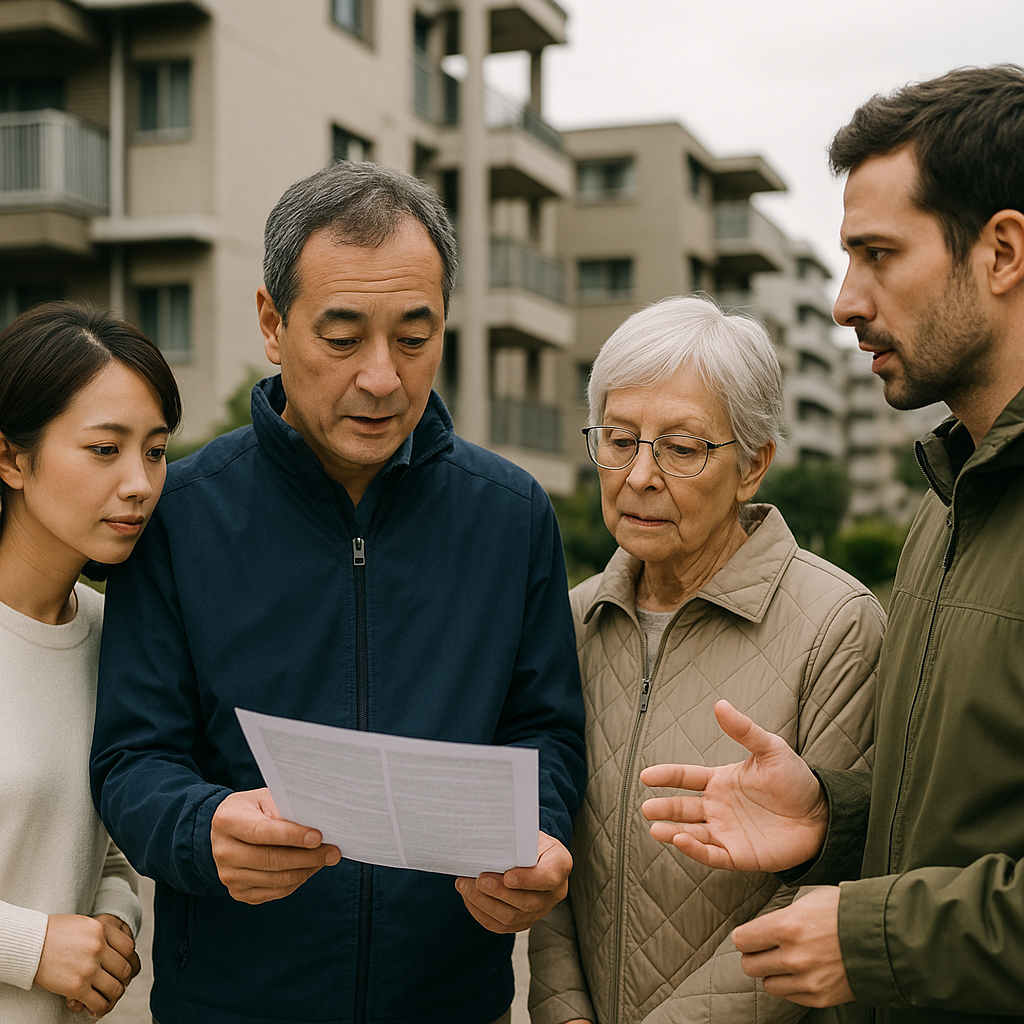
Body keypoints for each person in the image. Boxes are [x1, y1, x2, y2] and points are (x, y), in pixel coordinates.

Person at [90, 160, 586, 1024]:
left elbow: (545, 729)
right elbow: (133, 757)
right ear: (272, 323)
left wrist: (539, 838)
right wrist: (204, 829)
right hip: (232, 1005)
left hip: (453, 1004)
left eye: (414, 337)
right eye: (344, 337)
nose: (382, 378)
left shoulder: (511, 516)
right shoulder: (181, 516)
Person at [640, 65, 1024, 1024]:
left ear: (1004, 251)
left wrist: (878, 939)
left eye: (878, 255)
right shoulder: (948, 502)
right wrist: (833, 815)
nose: (846, 302)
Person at [528, 295, 883, 1024]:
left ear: (753, 465)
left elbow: (828, 886)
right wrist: (564, 1011)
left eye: (682, 448)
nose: (639, 475)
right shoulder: (574, 618)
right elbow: (547, 842)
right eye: (619, 439)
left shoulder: (837, 625)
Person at [0, 301, 182, 1021]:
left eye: (156, 451)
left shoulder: (115, 634)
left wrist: (114, 919)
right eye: (105, 449)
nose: (139, 482)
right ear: (11, 458)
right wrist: (29, 945)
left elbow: (100, 847)